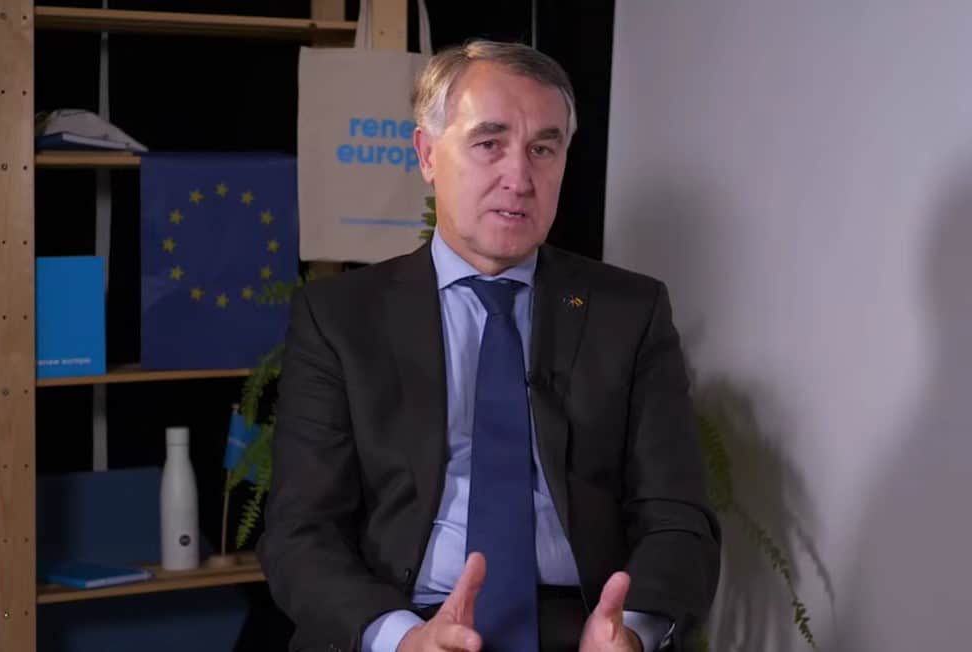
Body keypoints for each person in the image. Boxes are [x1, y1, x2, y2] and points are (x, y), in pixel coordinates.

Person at [258, 39, 721, 652]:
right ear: (427, 154)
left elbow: (678, 518)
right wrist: (401, 638)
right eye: (489, 144)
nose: (519, 179)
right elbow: (300, 533)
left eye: (543, 149)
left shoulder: (629, 312)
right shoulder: (341, 318)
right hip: (406, 618)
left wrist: (633, 630)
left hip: (582, 627)